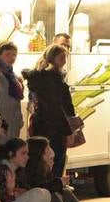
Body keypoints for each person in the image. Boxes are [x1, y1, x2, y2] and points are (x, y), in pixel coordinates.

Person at [24, 45, 78, 179]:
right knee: (54, 164)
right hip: (55, 129)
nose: (64, 61)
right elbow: (56, 108)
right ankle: (53, 195)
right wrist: (68, 131)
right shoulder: (53, 80)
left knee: (42, 164)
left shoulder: (38, 78)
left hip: (40, 126)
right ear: (52, 59)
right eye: (61, 58)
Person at [0, 41, 25, 133]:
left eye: (14, 55)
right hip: (1, 123)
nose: (12, 58)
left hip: (13, 122)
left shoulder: (13, 76)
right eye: (8, 54)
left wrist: (19, 121)